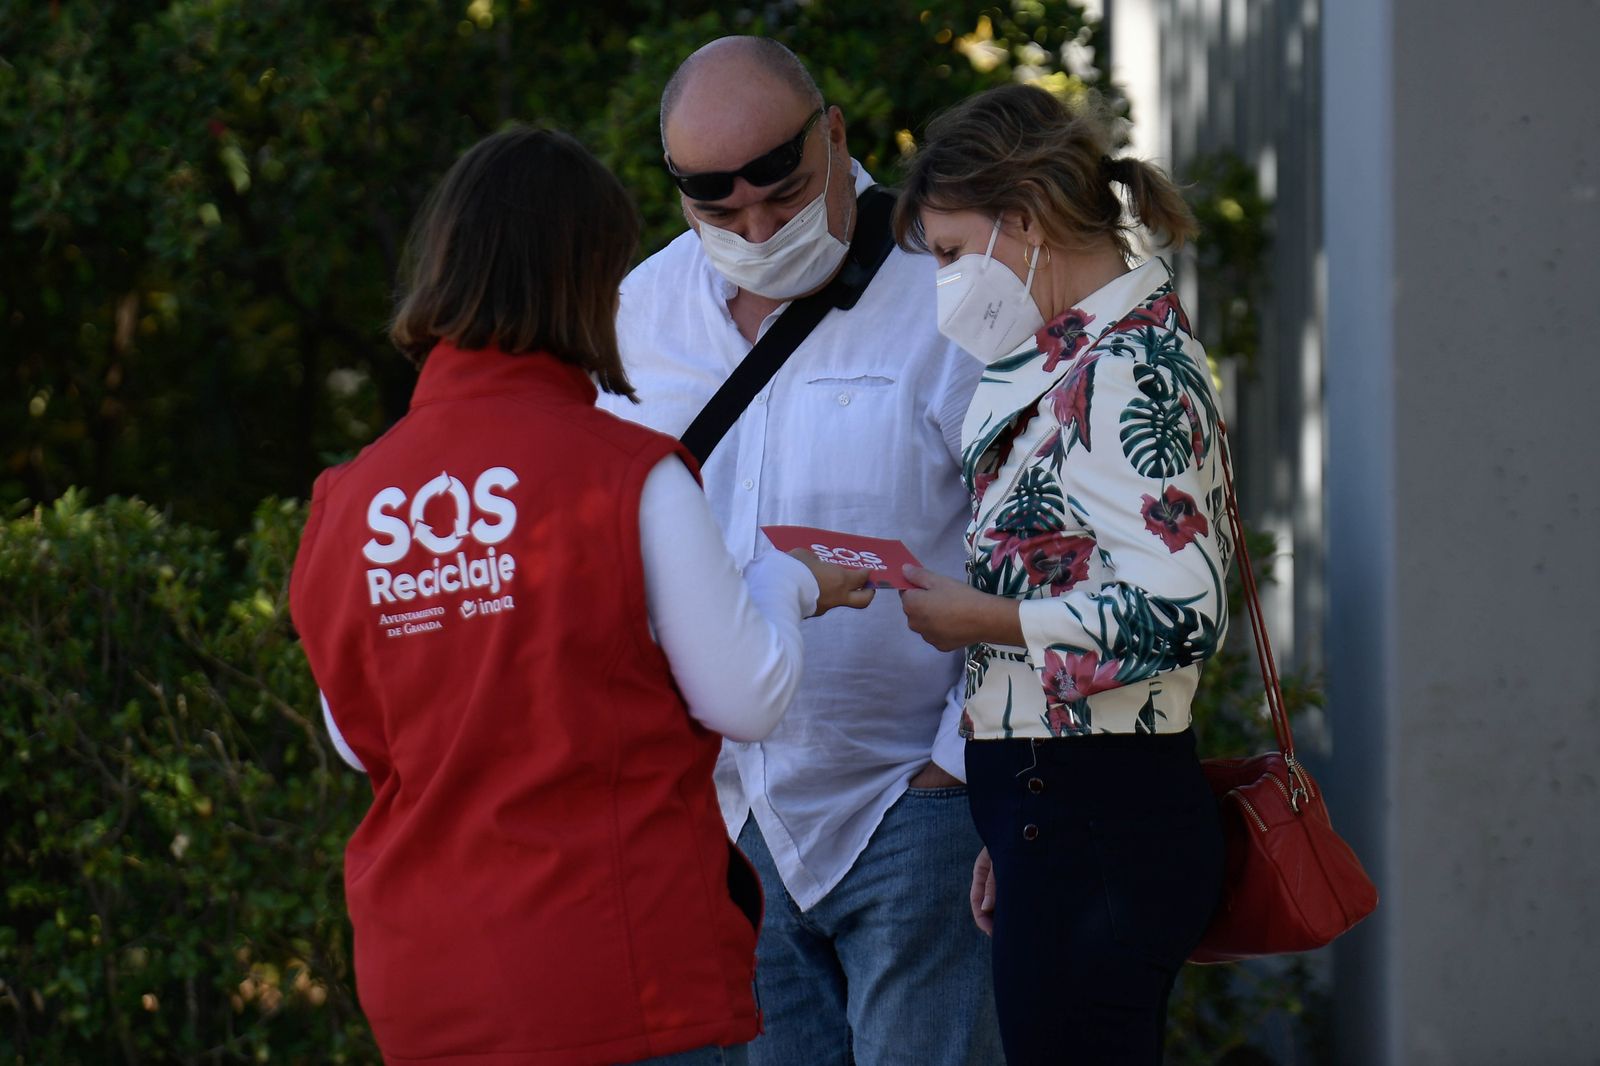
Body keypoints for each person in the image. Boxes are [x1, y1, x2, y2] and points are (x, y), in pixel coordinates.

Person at [288, 125, 873, 1066]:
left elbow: (357, 740)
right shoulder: (627, 472)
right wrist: (788, 580)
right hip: (620, 976)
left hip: (428, 987)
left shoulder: (349, 498)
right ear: (586, 282)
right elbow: (746, 695)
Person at [597, 36, 1001, 1066]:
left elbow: (1033, 539)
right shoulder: (638, 315)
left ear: (835, 135)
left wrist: (959, 768)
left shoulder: (946, 285)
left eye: (780, 196)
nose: (758, 229)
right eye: (718, 210)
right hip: (723, 815)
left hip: (913, 804)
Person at [892, 83, 1230, 1064]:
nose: (944, 282)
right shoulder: (1074, 355)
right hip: (1065, 815)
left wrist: (980, 619)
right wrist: (1015, 820)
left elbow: (1180, 610)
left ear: (1025, 221)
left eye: (951, 252)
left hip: (1094, 820)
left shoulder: (1123, 367)